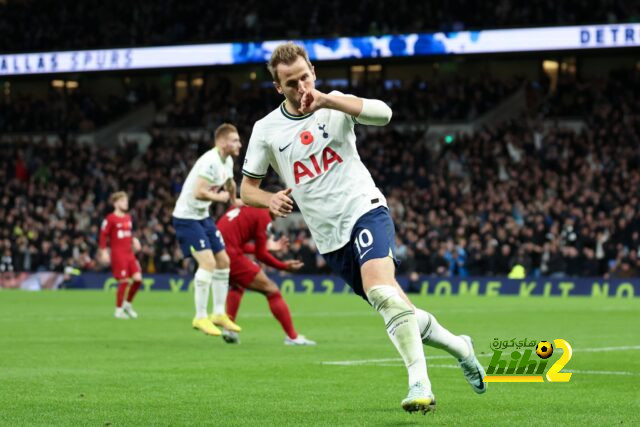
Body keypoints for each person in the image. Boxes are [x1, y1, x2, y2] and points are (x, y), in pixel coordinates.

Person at [240, 42, 486, 413]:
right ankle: (461, 347)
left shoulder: (335, 103)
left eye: (305, 76)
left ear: (314, 72)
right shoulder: (266, 130)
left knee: (381, 289)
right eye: (291, 83)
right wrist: (270, 199)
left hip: (365, 208)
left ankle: (420, 383)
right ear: (278, 88)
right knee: (393, 305)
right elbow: (246, 190)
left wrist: (328, 101)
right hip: (328, 237)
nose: (301, 86)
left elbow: (384, 114)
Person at [172, 123, 242, 337]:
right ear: (222, 142)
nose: (239, 144)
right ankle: (200, 316)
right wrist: (218, 197)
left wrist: (232, 200)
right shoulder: (209, 161)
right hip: (186, 218)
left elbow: (229, 183)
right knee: (208, 263)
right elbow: (199, 191)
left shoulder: (227, 161)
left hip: (202, 217)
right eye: (235, 140)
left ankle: (219, 313)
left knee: (223, 261)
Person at [217, 205, 315, 345]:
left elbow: (239, 244)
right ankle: (292, 337)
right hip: (230, 255)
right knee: (272, 290)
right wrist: (284, 266)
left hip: (216, 252)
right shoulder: (263, 215)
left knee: (238, 285)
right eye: (283, 205)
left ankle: (229, 328)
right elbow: (260, 255)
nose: (284, 211)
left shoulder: (241, 208)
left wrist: (267, 247)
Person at [97, 192, 143, 319]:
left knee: (138, 279)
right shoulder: (110, 218)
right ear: (116, 203)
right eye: (123, 201)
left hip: (130, 254)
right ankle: (118, 311)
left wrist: (135, 240)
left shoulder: (128, 217)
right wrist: (104, 251)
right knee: (124, 281)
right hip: (118, 254)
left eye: (126, 201)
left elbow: (128, 233)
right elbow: (103, 235)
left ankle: (127, 304)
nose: (126, 203)